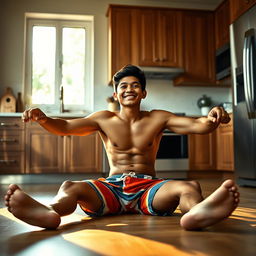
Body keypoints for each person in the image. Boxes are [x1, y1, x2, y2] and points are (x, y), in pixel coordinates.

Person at [4, 65, 239, 230]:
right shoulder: (103, 118)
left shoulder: (158, 118)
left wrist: (214, 117)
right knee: (70, 187)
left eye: (135, 85)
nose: (129, 89)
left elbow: (198, 125)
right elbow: (65, 126)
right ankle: (49, 212)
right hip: (112, 188)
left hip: (149, 188)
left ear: (143, 92)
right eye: (124, 86)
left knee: (189, 186)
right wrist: (44, 119)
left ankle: (197, 213)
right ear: (116, 94)